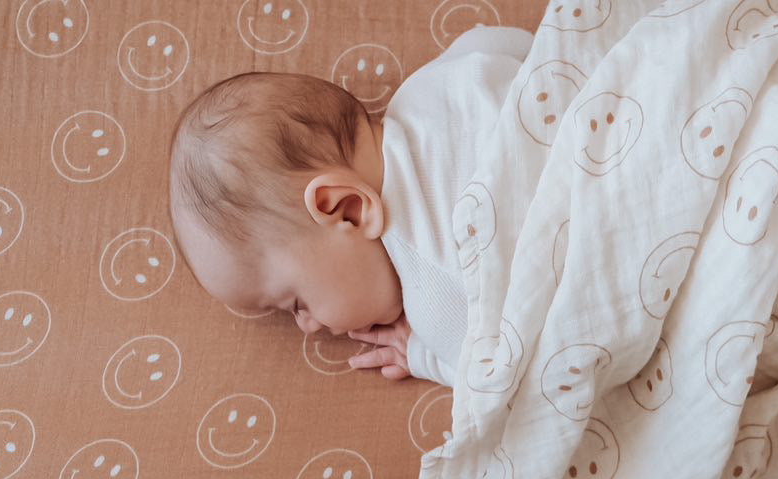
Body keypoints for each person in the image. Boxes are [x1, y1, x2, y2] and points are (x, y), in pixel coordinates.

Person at [168, 25, 533, 385]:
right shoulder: (433, 82)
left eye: (295, 304)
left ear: (348, 210)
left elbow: (506, 377)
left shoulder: (433, 293)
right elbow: (510, 42)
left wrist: (420, 355)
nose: (308, 327)